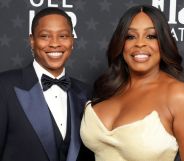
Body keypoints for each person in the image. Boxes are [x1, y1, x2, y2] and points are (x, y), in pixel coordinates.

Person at [80, 5, 184, 161]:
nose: (140, 43)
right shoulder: (107, 88)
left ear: (163, 42)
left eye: (151, 36)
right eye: (130, 36)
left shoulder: (178, 95)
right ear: (121, 43)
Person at [0, 7, 94, 161]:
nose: (55, 43)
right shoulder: (4, 87)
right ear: (32, 40)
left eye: (63, 36)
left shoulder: (85, 92)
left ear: (72, 41)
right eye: (45, 36)